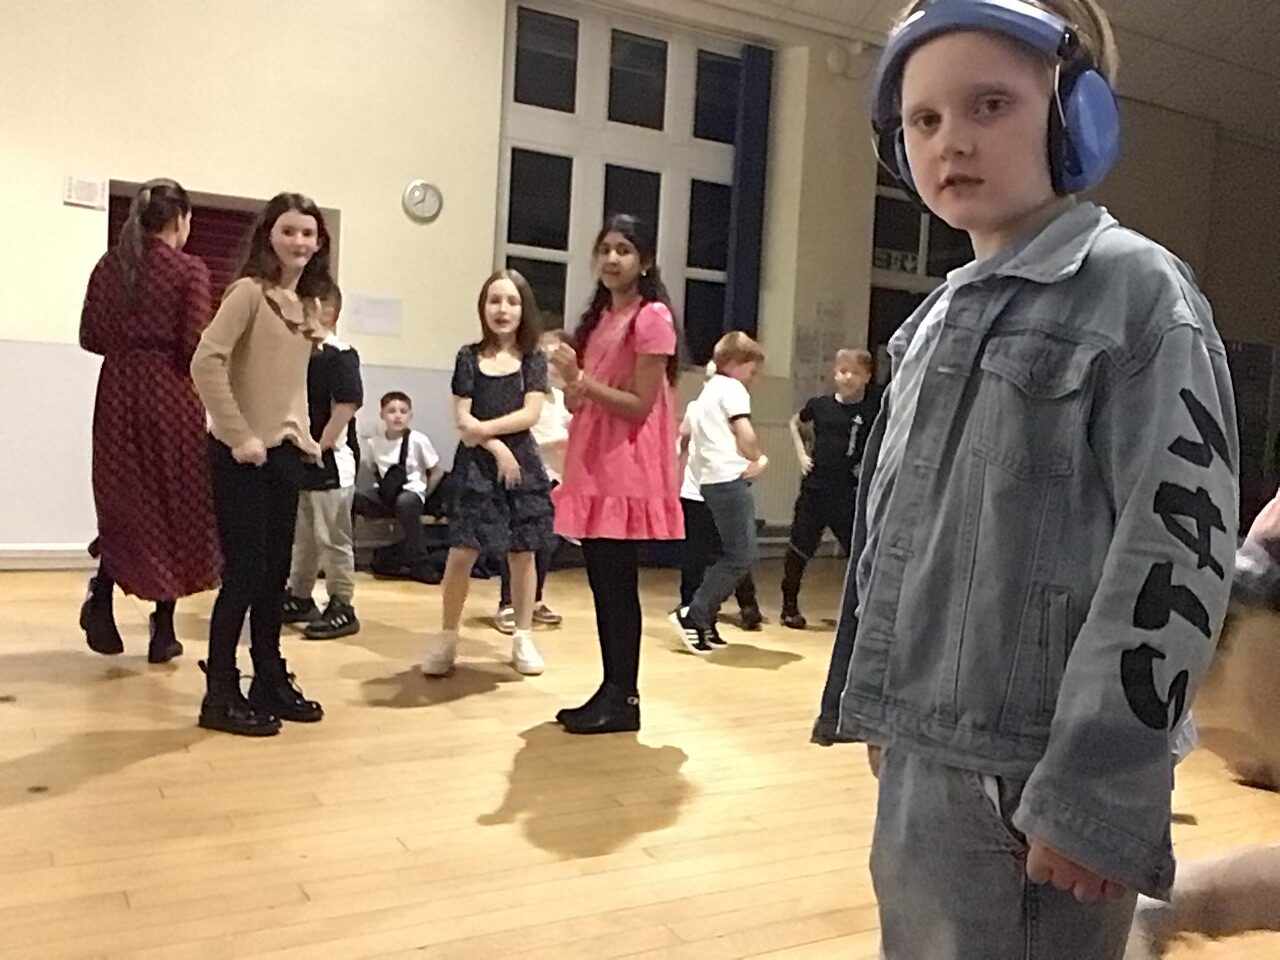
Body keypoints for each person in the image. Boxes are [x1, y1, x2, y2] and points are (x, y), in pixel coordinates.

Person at [814, 2, 1238, 957]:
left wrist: (1099, 791)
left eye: (990, 105)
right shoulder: (930, 324)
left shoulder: (1137, 294)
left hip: (1038, 778)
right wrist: (882, 710)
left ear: (1078, 118)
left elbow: (1175, 557)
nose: (950, 141)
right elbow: (897, 539)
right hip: (925, 753)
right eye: (923, 119)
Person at [190, 192, 334, 737]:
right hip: (241, 456)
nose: (298, 241)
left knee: (275, 575)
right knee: (245, 574)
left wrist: (304, 434)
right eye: (288, 231)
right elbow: (206, 362)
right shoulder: (248, 294)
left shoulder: (306, 306)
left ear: (319, 243)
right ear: (268, 236)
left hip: (284, 455)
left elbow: (286, 382)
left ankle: (268, 677)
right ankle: (219, 692)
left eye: (308, 233)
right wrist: (239, 434)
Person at [549, 213, 684, 734]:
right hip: (595, 459)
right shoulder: (601, 317)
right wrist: (572, 382)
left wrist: (582, 380)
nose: (611, 258)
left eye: (624, 250)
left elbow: (639, 405)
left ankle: (624, 697)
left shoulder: (651, 317)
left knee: (617, 585)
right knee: (604, 584)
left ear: (644, 261)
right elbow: (583, 399)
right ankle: (612, 690)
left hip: (624, 463)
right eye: (605, 248)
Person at [78, 178, 221, 664]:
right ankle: (164, 629)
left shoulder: (110, 266)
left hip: (117, 391)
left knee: (124, 499)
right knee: (175, 501)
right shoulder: (190, 270)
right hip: (170, 394)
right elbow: (193, 343)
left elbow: (90, 337)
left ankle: (102, 597)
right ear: (181, 219)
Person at [420, 269, 555, 677]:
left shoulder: (533, 359)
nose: (503, 309)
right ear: (483, 307)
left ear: (523, 309)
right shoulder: (468, 356)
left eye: (512, 301)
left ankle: (523, 636)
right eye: (494, 300)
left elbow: (530, 414)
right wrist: (495, 446)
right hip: (478, 464)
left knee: (523, 553)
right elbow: (463, 419)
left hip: (521, 466)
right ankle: (447, 636)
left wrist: (485, 431)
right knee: (462, 552)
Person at [670, 333, 768, 654]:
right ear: (736, 364)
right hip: (728, 479)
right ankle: (694, 613)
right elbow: (745, 433)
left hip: (710, 482)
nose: (754, 377)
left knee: (726, 553)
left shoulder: (707, 391)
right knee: (741, 555)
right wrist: (757, 458)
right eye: (752, 370)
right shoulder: (733, 389)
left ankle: (700, 616)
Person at [280, 284, 363, 640]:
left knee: (332, 538)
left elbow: (345, 406)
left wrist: (319, 445)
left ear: (327, 310)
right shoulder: (301, 353)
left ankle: (342, 603)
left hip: (331, 463)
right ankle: (300, 596)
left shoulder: (340, 355)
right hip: (302, 460)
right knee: (304, 537)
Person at [780, 348, 878, 629]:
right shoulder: (820, 405)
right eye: (843, 371)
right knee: (800, 547)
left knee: (858, 551)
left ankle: (861, 608)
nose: (848, 378)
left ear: (867, 377)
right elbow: (795, 422)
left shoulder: (871, 411)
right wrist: (801, 454)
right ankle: (789, 606)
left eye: (855, 373)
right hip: (815, 489)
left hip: (847, 492)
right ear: (835, 373)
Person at [493, 328, 573, 634]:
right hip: (526, 474)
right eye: (547, 357)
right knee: (519, 543)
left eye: (558, 358)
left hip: (555, 478)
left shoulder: (562, 398)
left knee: (547, 542)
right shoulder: (523, 395)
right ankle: (508, 603)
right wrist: (556, 442)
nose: (552, 365)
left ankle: (534, 599)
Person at [353, 391, 443, 581]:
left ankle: (420, 564)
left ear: (410, 415)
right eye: (391, 411)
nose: (397, 416)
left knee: (406, 502)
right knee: (352, 498)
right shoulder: (374, 443)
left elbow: (436, 471)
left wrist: (425, 494)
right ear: (382, 414)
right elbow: (374, 470)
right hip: (387, 494)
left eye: (403, 411)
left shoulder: (418, 439)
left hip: (411, 493)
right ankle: (346, 556)